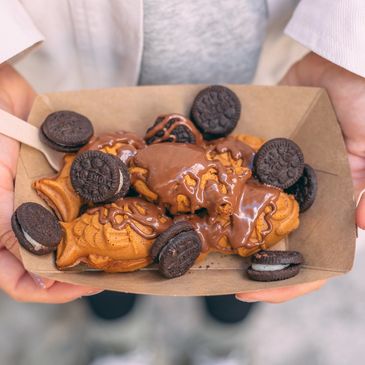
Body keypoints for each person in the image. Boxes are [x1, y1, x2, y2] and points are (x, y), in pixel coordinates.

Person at [0, 0, 364, 309]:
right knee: (99, 290)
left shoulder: (234, 191)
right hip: (64, 71)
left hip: (269, 69)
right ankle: (116, 331)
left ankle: (223, 335)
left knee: (237, 293)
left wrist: (350, 56)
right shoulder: (141, 171)